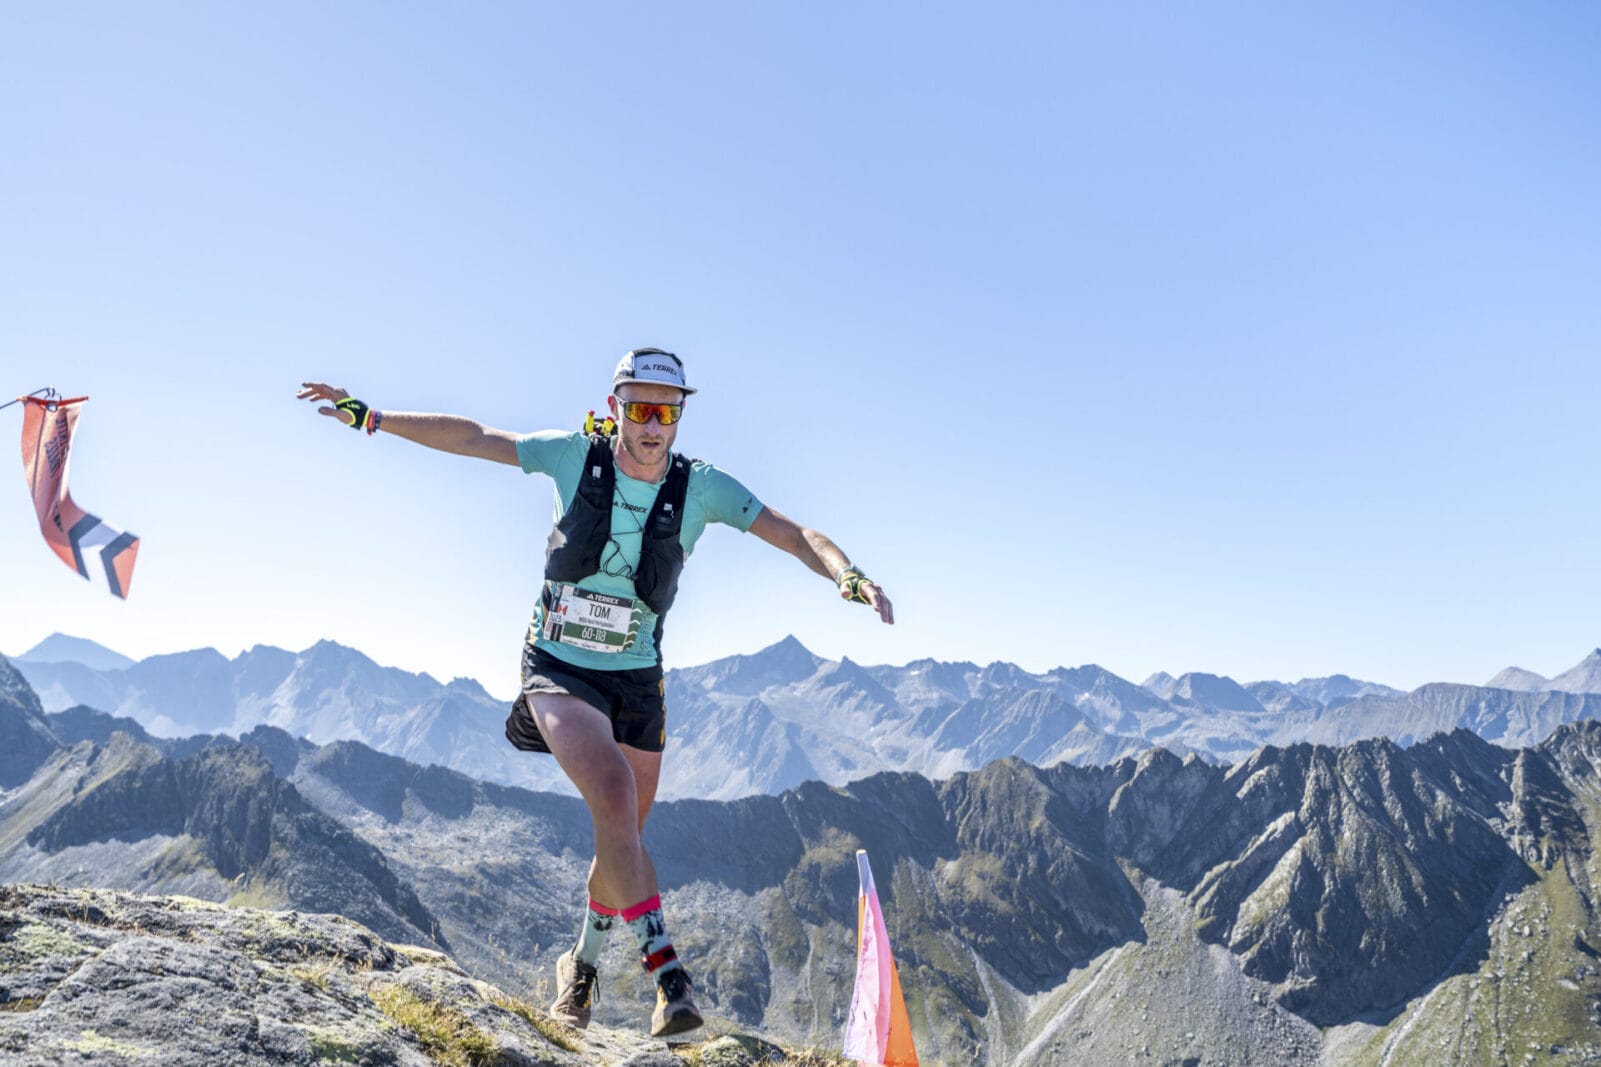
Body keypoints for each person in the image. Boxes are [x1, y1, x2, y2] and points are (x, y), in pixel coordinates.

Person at [297, 348, 892, 1038]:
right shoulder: (572, 456)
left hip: (636, 678)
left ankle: (578, 966)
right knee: (612, 794)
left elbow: (792, 534)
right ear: (615, 408)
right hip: (558, 665)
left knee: (622, 837)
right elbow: (475, 437)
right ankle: (668, 975)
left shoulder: (700, 488)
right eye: (639, 409)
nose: (652, 425)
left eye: (666, 411)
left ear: (680, 415)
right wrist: (371, 416)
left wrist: (846, 574)